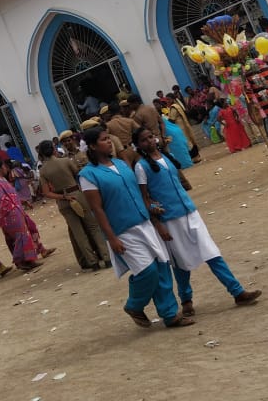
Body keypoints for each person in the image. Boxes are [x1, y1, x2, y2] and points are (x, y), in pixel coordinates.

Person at [132, 128, 262, 317]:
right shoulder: (141, 167)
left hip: (189, 211)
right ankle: (186, 299)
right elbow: (144, 198)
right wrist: (158, 224)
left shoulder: (166, 157)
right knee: (181, 263)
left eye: (151, 137)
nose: (150, 141)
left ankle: (237, 291)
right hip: (170, 219)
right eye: (144, 140)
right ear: (138, 145)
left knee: (212, 253)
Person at [77, 126, 193, 329]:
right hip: (123, 230)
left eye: (108, 138)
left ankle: (170, 314)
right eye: (104, 139)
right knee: (147, 272)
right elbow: (97, 209)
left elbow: (139, 193)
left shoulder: (121, 164)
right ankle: (134, 305)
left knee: (162, 267)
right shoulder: (88, 175)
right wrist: (111, 238)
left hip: (144, 223)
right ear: (93, 146)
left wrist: (153, 215)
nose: (109, 142)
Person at [37, 140, 109, 271]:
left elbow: (46, 192)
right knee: (93, 226)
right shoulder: (65, 161)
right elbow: (79, 175)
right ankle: (106, 256)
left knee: (78, 232)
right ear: (54, 149)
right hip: (77, 193)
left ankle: (92, 262)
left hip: (63, 200)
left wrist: (63, 197)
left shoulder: (43, 170)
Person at [0, 161, 56, 271]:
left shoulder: (1, 180)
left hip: (16, 209)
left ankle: (41, 250)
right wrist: (13, 207)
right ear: (0, 168)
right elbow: (0, 200)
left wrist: (21, 201)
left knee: (31, 227)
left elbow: (10, 195)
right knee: (21, 235)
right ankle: (25, 261)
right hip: (10, 213)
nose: (6, 168)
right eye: (5, 166)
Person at [104, 102, 141, 166]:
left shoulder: (108, 125)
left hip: (122, 153)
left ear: (110, 112)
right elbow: (141, 131)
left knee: (129, 172)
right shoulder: (129, 121)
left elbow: (106, 138)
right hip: (134, 149)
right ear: (120, 109)